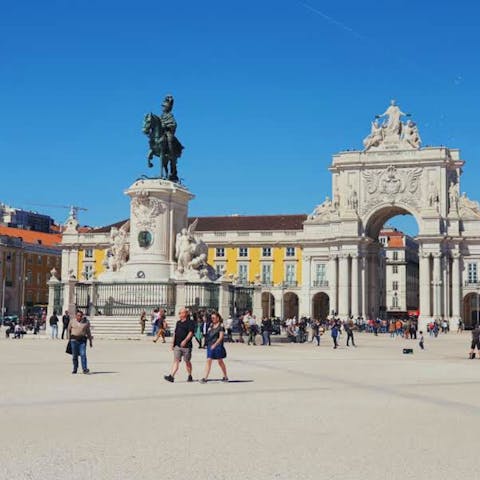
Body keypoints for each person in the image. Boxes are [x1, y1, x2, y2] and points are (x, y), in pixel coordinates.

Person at [164, 307, 195, 383]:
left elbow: (191, 333)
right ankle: (172, 376)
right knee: (176, 361)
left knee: (187, 361)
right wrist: (172, 343)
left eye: (181, 313)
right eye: (179, 313)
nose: (179, 314)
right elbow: (175, 333)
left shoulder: (190, 322)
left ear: (185, 314)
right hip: (177, 345)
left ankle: (190, 375)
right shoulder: (178, 322)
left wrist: (185, 340)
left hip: (187, 346)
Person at [199, 311, 228, 383]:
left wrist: (215, 345)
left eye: (214, 318)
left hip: (218, 346)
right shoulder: (211, 325)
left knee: (220, 361)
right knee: (209, 360)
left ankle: (225, 376)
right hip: (210, 345)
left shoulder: (221, 326)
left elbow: (221, 337)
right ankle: (205, 378)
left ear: (218, 318)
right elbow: (208, 335)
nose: (213, 319)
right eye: (212, 318)